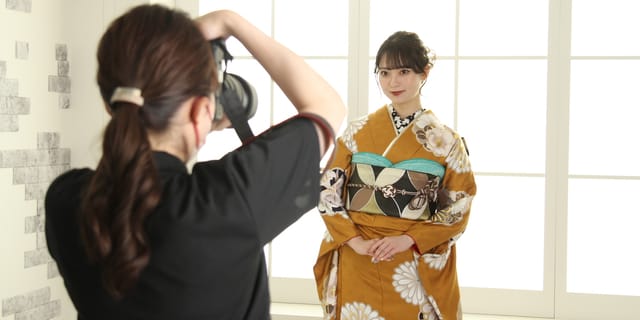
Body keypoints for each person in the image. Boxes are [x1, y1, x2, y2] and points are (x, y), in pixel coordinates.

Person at [44, 4, 345, 320]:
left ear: (111, 105)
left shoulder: (66, 200)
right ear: (201, 110)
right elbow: (327, 106)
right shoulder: (229, 199)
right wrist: (231, 22)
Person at [313, 31, 476, 319]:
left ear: (424, 73)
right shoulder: (357, 131)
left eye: (404, 71)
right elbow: (328, 191)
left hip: (411, 258)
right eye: (385, 73)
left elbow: (458, 205)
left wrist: (409, 239)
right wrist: (356, 242)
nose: (394, 82)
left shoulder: (447, 141)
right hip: (359, 254)